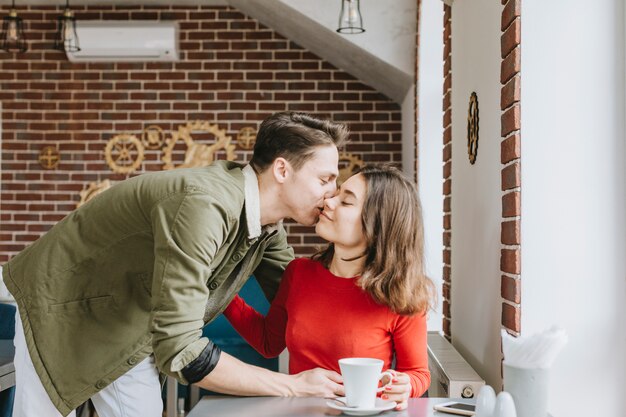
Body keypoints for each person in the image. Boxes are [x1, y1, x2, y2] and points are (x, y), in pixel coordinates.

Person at [2, 112, 349, 417]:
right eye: (325, 179)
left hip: (126, 320)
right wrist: (291, 385)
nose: (332, 193)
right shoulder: (204, 205)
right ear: (282, 170)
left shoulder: (268, 227)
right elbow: (180, 349)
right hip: (58, 301)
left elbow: (301, 303)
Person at [224, 165, 436, 410]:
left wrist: (406, 384)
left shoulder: (402, 294)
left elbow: (418, 372)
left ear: (377, 226)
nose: (328, 202)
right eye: (336, 193)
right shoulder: (299, 273)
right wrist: (219, 294)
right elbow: (269, 343)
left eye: (345, 202)